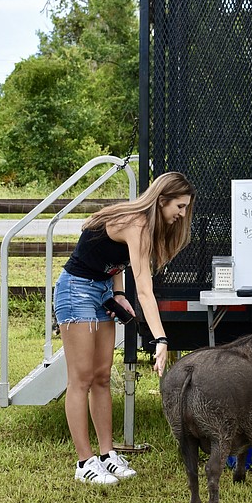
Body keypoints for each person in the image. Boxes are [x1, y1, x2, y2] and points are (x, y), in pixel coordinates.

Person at [54, 171, 196, 485]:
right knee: (81, 379)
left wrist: (118, 293)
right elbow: (145, 289)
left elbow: (115, 258)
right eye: (180, 206)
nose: (182, 215)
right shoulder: (138, 224)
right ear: (162, 201)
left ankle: (107, 455)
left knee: (102, 377)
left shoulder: (143, 224)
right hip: (75, 290)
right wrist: (161, 338)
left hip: (102, 290)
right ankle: (84, 462)